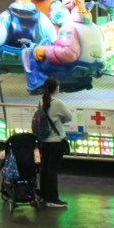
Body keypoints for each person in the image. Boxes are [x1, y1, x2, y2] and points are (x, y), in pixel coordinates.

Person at [33, 78, 72, 209]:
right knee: (52, 171)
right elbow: (69, 117)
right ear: (55, 88)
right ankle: (52, 199)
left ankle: (43, 196)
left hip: (43, 141)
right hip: (55, 142)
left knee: (45, 169)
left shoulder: (41, 101)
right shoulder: (57, 103)